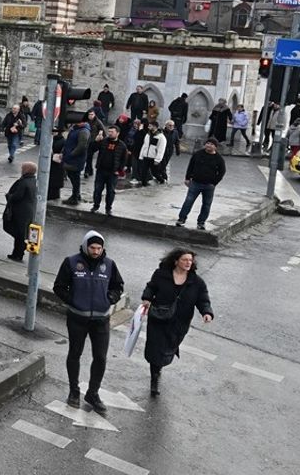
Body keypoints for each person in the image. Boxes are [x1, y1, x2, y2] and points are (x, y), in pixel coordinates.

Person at [52, 231, 124, 413]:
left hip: (101, 320)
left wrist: (109, 299)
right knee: (75, 353)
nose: (96, 251)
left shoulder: (109, 265)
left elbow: (118, 286)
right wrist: (74, 300)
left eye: (99, 248)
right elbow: (59, 287)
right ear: (85, 246)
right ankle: (73, 391)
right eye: (92, 247)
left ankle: (93, 393)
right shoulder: (71, 262)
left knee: (100, 357)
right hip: (77, 318)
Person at [141, 249, 214, 397]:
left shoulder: (197, 282)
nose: (188, 263)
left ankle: (159, 366)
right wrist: (147, 298)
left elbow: (203, 299)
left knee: (168, 347)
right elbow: (151, 287)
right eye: (184, 260)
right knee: (155, 347)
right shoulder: (161, 274)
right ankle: (154, 378)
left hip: (179, 323)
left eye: (190, 260)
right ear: (176, 261)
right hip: (158, 318)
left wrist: (206, 312)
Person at [177, 138, 226, 230]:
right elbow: (191, 165)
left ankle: (201, 222)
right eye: (207, 143)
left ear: (215, 147)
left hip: (209, 185)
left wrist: (214, 182)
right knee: (188, 201)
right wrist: (187, 178)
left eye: (211, 144)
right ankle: (181, 218)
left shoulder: (219, 159)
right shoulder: (198, 154)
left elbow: (222, 172)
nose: (209, 145)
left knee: (206, 204)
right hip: (195, 182)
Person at [2, 163, 36, 262]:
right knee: (20, 233)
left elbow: (17, 196)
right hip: (28, 211)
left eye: (22, 168)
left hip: (20, 212)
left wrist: (9, 196)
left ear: (26, 170)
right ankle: (18, 252)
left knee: (16, 232)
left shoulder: (23, 182)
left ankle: (19, 252)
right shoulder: (34, 181)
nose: (21, 169)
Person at [90, 126, 128, 216]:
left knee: (110, 191)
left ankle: (108, 208)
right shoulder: (103, 141)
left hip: (112, 172)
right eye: (109, 131)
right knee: (97, 189)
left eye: (112, 132)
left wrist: (119, 170)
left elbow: (124, 159)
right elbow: (92, 149)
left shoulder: (122, 145)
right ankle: (96, 206)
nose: (110, 133)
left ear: (117, 133)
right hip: (101, 170)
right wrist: (96, 141)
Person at [134, 120, 167, 186]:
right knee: (144, 172)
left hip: (153, 158)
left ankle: (162, 180)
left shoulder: (161, 137)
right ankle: (144, 184)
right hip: (146, 156)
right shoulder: (148, 135)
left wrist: (157, 159)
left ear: (155, 127)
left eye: (150, 126)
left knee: (155, 173)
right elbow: (144, 145)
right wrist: (141, 155)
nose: (148, 127)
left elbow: (161, 149)